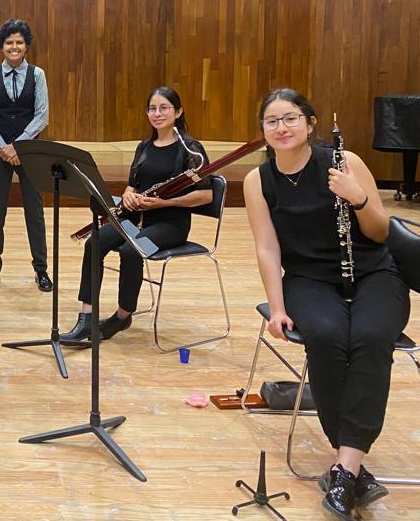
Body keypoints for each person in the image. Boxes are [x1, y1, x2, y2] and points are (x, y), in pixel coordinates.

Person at [244, 88, 408, 520]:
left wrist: (357, 197)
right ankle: (352, 471)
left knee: (372, 338)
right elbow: (267, 249)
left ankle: (345, 467)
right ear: (262, 131)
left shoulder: (345, 162)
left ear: (311, 123)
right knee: (328, 336)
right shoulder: (258, 180)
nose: (281, 127)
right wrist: (276, 307)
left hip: (373, 273)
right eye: (272, 121)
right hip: (309, 280)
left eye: (291, 118)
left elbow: (378, 233)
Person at [61, 87, 211, 343]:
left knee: (132, 250)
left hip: (170, 223)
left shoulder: (190, 149)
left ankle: (122, 315)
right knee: (94, 241)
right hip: (137, 217)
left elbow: (206, 196)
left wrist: (163, 202)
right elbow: (133, 184)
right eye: (152, 108)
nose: (157, 113)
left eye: (164, 108)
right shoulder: (144, 146)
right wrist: (129, 195)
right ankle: (86, 317)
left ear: (178, 111)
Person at [0, 19, 51, 293]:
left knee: (35, 210)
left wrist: (17, 146)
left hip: (29, 151)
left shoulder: (38, 75)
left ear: (26, 46)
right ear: (2, 47)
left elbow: (42, 115)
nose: (14, 46)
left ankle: (41, 270)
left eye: (19, 42)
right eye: (9, 42)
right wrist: (2, 147)